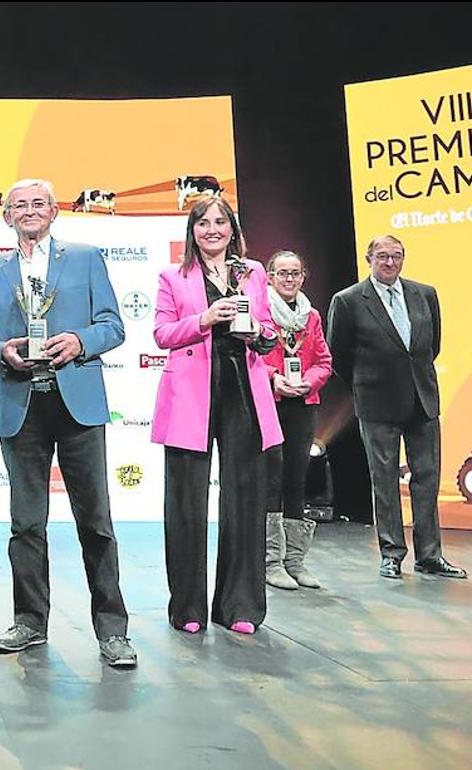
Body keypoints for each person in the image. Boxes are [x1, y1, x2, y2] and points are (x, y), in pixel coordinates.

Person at [0, 178, 135, 667]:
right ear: (7, 217)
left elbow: (114, 326)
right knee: (26, 523)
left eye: (39, 203)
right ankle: (30, 622)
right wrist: (1, 353)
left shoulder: (84, 258)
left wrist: (80, 342)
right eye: (20, 205)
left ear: (55, 211)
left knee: (96, 522)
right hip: (21, 404)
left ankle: (112, 629)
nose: (30, 211)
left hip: (77, 400)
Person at [150, 197, 282, 635]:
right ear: (192, 231)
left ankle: (240, 605)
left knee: (245, 496)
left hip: (243, 388)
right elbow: (162, 333)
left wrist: (260, 332)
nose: (212, 230)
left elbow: (268, 330)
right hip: (192, 393)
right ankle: (187, 607)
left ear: (232, 228)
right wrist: (203, 319)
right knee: (186, 500)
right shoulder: (174, 276)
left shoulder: (254, 272)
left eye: (220, 222)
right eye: (203, 223)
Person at [327, 235, 465, 580]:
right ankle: (391, 553)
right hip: (376, 401)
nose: (390, 263)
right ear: (369, 259)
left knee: (427, 478)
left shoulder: (425, 294)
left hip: (422, 398)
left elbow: (430, 346)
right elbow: (338, 355)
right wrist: (366, 383)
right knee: (385, 480)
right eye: (383, 256)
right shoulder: (348, 301)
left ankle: (430, 555)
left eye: (397, 256)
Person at [261, 250, 332, 590]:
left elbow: (324, 361)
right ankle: (271, 561)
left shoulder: (312, 316)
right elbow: (250, 357)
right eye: (282, 273)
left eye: (295, 273)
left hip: (304, 402)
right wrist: (274, 377)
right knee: (271, 478)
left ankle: (295, 561)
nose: (289, 279)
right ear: (270, 277)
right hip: (271, 402)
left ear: (303, 277)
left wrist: (310, 381)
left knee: (296, 479)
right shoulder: (260, 312)